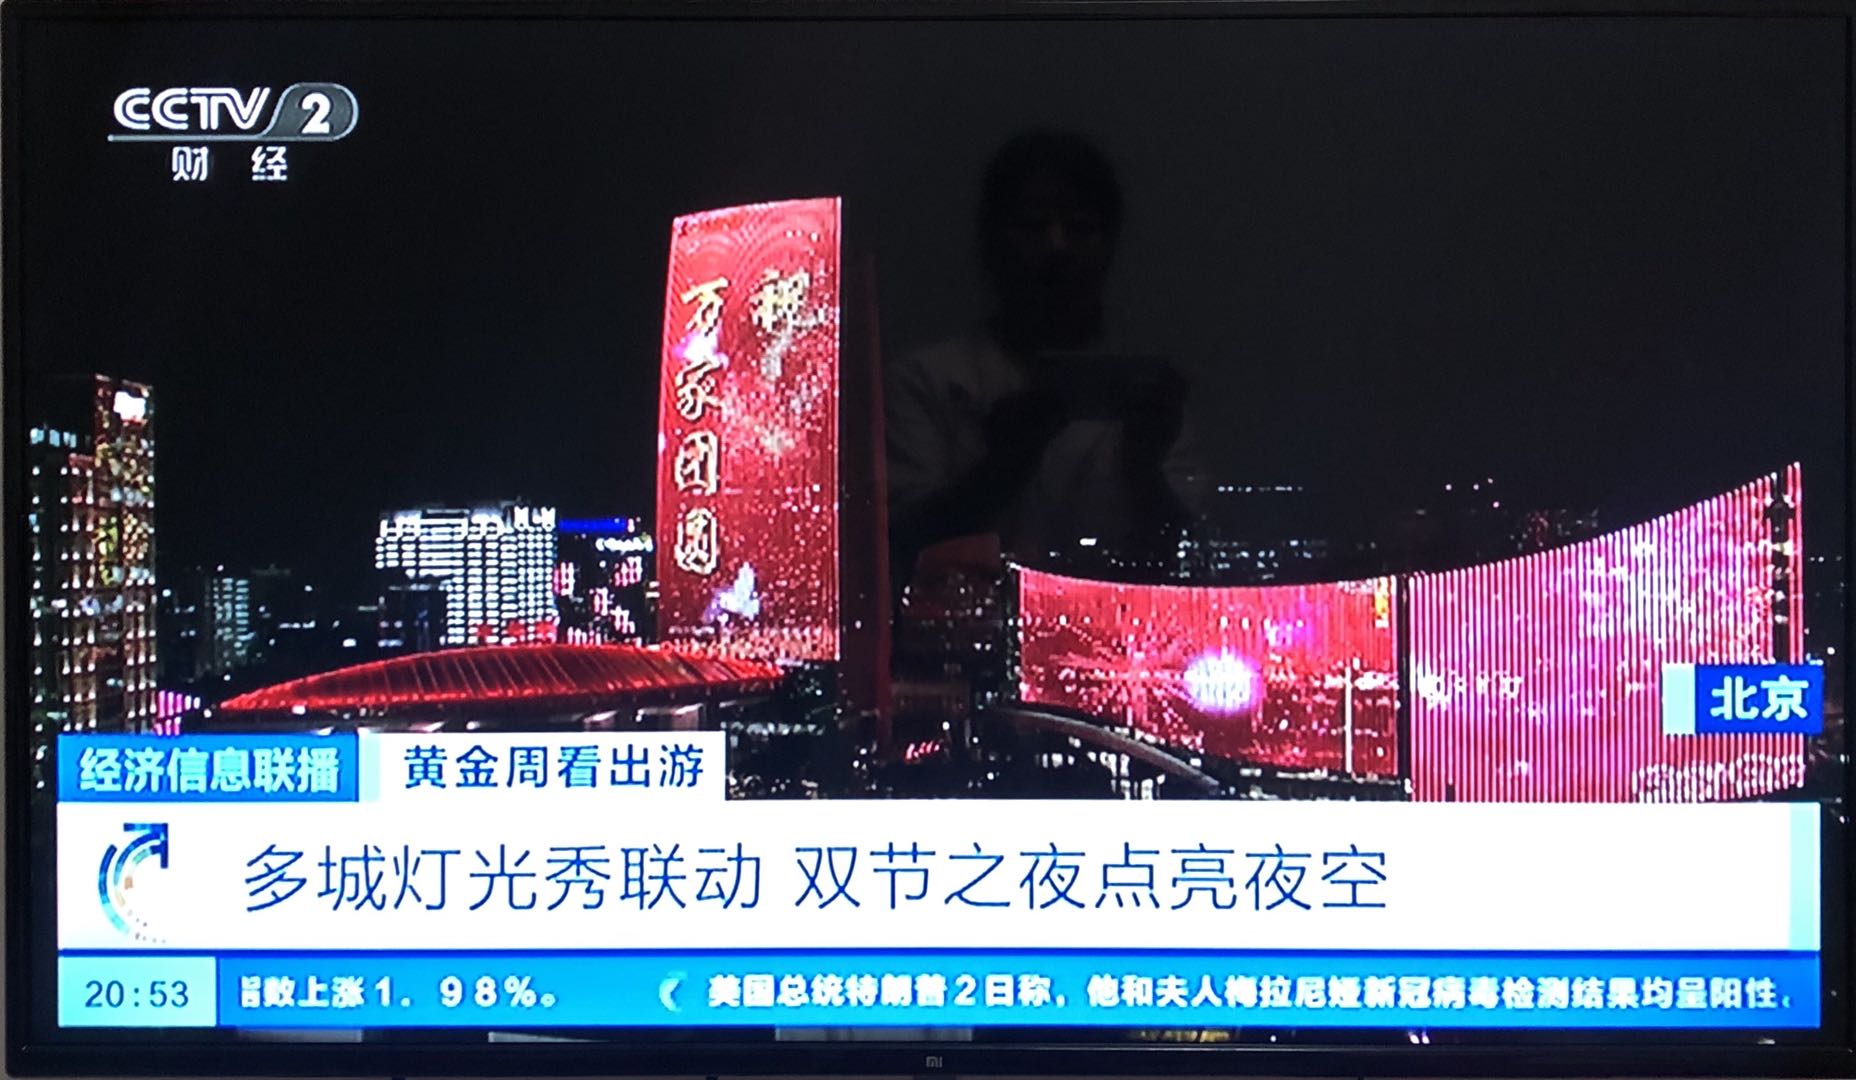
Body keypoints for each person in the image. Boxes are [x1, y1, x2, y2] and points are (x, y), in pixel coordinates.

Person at [886, 129, 1204, 589]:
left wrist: (1144, 465)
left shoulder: (1145, 397)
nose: (1057, 247)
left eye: (1080, 227)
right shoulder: (928, 381)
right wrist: (1001, 468)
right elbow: (897, 543)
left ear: (1110, 245)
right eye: (1033, 226)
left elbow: (1186, 553)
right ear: (992, 242)